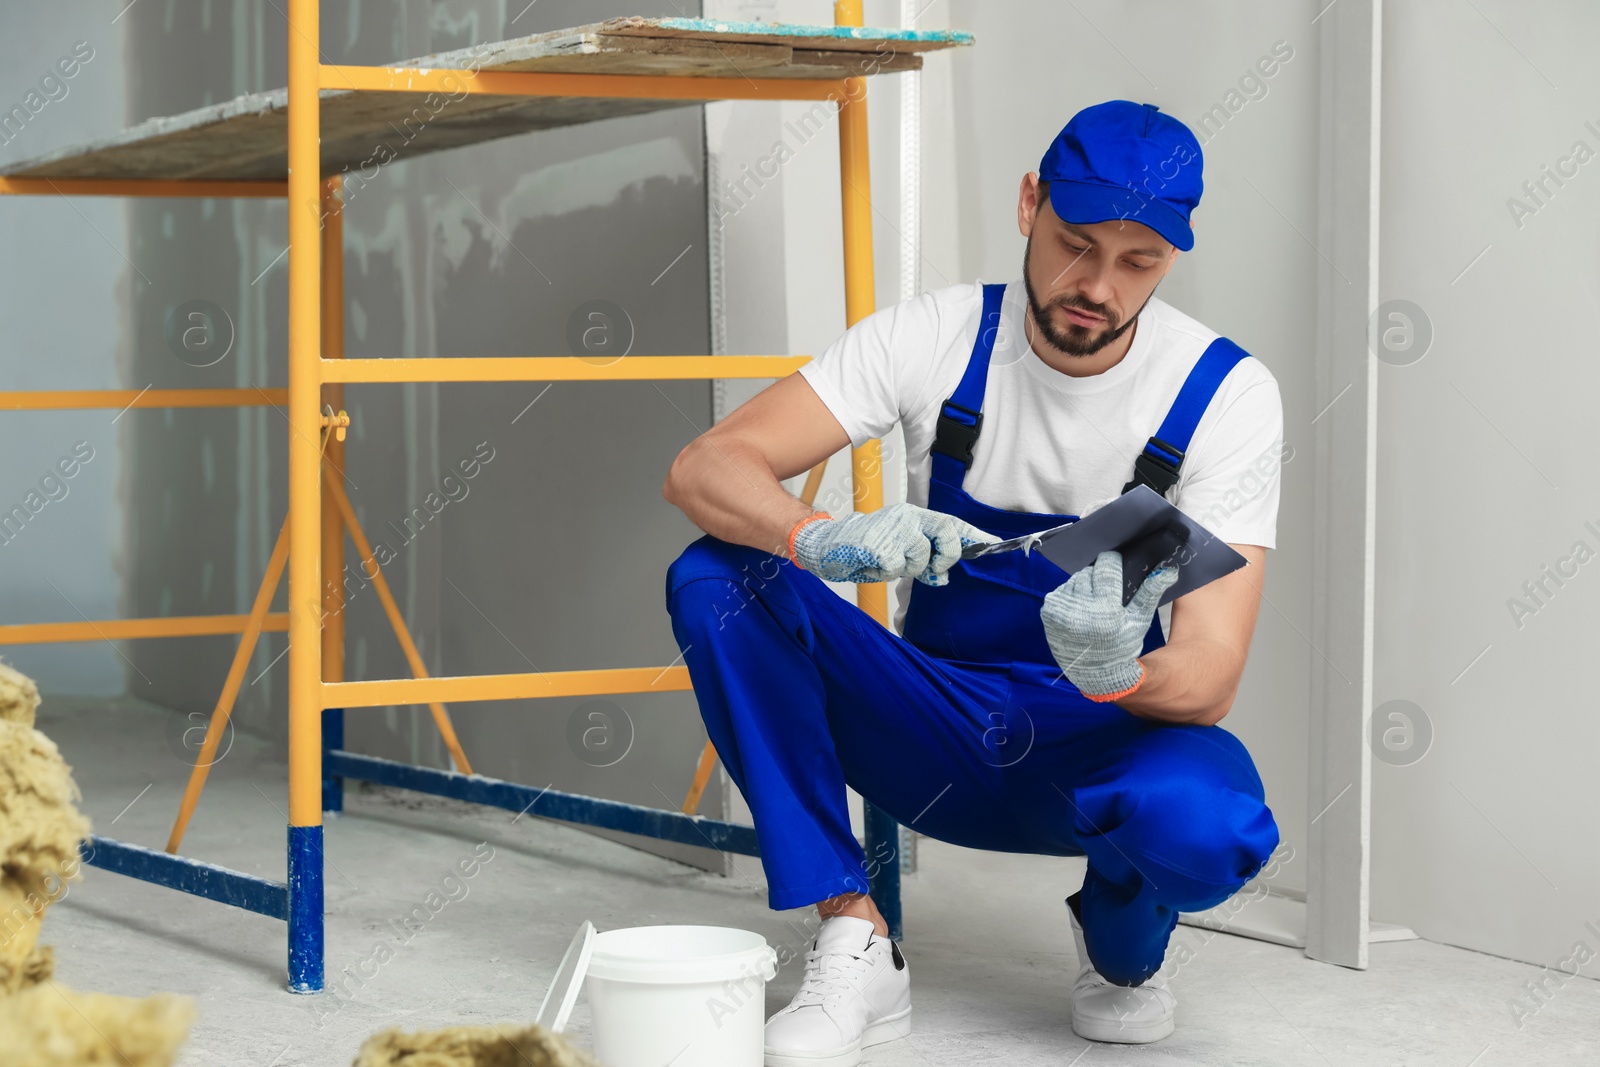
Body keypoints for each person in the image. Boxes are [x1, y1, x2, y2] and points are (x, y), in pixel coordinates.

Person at [662, 99, 1282, 1062]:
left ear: (1172, 257)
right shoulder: (937, 337)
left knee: (1209, 823)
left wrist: (1117, 668)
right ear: (1029, 204)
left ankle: (1120, 947)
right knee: (717, 576)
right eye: (1076, 243)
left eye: (1138, 262)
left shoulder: (1221, 395)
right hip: (933, 730)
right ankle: (853, 929)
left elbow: (1208, 672)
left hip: (1102, 747)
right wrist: (816, 534)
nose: (1098, 287)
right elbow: (705, 466)